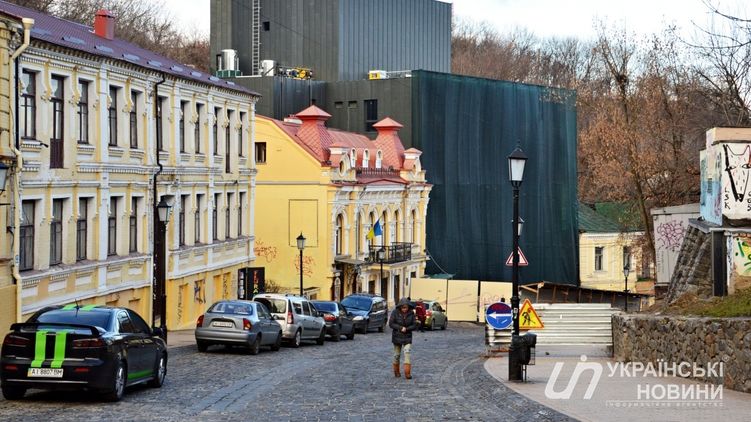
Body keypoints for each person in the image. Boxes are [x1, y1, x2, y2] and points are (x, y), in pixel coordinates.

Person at [389, 297, 418, 379]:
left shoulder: (411, 313)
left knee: (407, 353)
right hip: (397, 336)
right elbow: (391, 324)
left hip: (407, 337)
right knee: (396, 355)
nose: (404, 309)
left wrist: (407, 329)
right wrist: (400, 328)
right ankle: (396, 371)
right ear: (400, 307)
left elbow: (414, 325)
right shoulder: (395, 312)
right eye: (403, 307)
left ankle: (407, 373)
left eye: (406, 307)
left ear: (408, 307)